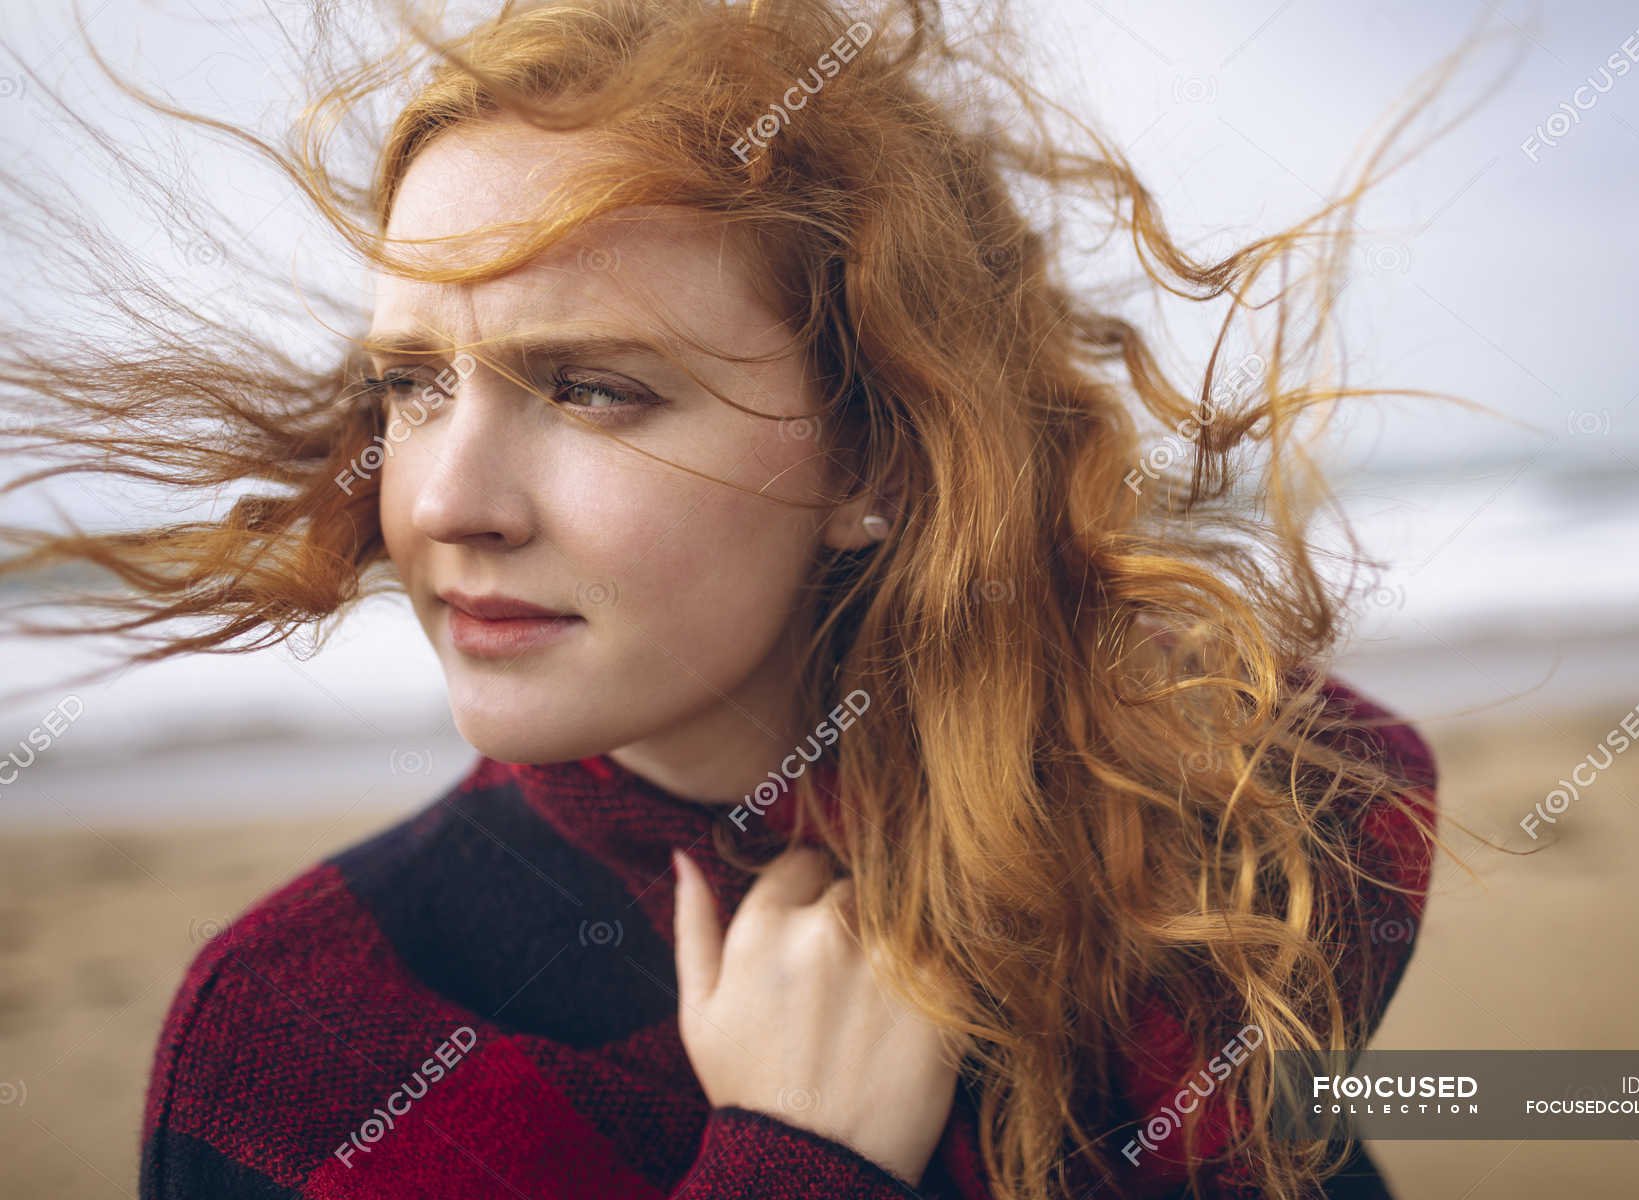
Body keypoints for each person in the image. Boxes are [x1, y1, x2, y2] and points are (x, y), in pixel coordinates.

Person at [0, 1, 1460, 1196]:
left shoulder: (1203, 879)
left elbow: (1343, 794)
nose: (446, 500)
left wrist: (1061, 674)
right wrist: (797, 1169)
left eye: (593, 390)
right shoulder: (307, 1042)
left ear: (876, 453)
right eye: (411, 384)